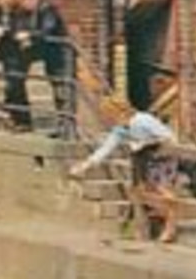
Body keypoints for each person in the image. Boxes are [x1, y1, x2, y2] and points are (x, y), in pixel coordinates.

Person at [69, 96, 179, 242]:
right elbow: (105, 149)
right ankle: (154, 222)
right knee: (144, 190)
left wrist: (144, 143)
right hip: (146, 160)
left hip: (163, 157)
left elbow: (168, 137)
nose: (106, 119)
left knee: (162, 190)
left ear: (117, 112)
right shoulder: (120, 129)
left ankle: (170, 226)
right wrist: (84, 165)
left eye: (107, 115)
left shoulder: (142, 120)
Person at [24, 0, 74, 136]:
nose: (25, 4)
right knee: (58, 93)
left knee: (63, 92)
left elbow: (48, 30)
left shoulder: (47, 10)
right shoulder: (40, 11)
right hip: (53, 58)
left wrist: (29, 36)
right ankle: (62, 126)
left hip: (59, 57)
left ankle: (66, 127)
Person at [0, 0, 34, 131]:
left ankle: (23, 119)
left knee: (15, 84)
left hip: (19, 52)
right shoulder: (0, 11)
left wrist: (11, 32)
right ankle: (15, 116)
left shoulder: (21, 12)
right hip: (6, 51)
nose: (2, 0)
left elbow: (23, 29)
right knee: (11, 83)